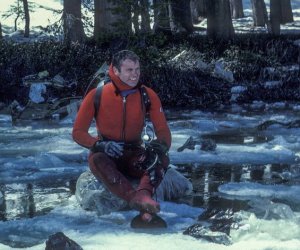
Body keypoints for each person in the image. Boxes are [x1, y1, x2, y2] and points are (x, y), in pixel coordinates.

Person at [72, 50, 171, 223]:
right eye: (129, 70)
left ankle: (144, 196)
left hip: (134, 153)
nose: (135, 75)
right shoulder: (97, 94)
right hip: (107, 154)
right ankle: (136, 199)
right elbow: (78, 132)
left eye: (137, 69)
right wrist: (100, 144)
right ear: (116, 71)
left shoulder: (147, 94)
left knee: (161, 157)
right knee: (97, 159)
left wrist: (161, 145)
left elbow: (163, 130)